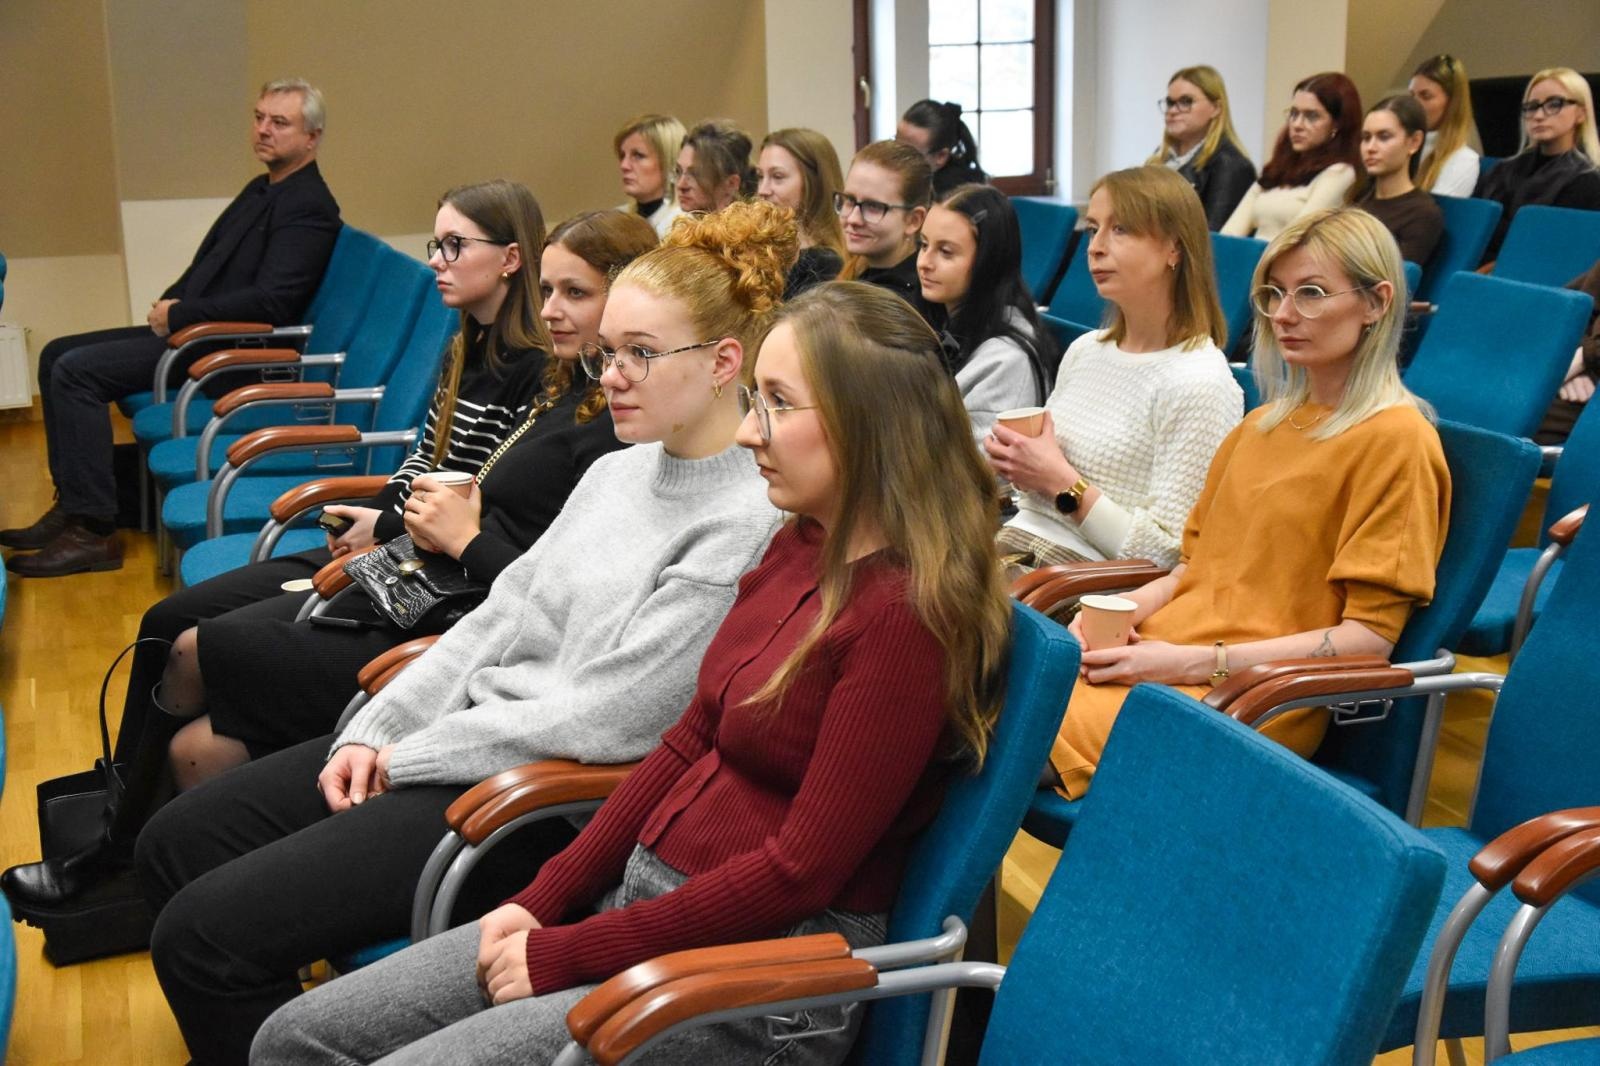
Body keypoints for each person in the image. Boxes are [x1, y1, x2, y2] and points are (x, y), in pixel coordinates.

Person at [250, 280, 1013, 1066]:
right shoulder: (800, 543)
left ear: (871, 427)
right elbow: (688, 742)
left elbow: (799, 873)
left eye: (779, 404)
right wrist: (545, 902)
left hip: (762, 980)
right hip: (654, 907)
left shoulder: (905, 616)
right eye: (757, 398)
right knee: (294, 1038)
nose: (751, 431)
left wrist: (572, 951)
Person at [132, 201, 792, 1066]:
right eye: (607, 353)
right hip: (455, 751)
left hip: (528, 801)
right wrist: (378, 726)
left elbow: (613, 718)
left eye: (640, 353)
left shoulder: (743, 519)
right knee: (172, 844)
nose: (612, 377)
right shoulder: (619, 472)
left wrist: (409, 754)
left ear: (722, 361)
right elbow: (499, 615)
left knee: (201, 938)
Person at [0, 193, 657, 919]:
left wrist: (428, 536)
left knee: (193, 667)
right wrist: (392, 524)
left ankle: (129, 860)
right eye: (551, 289)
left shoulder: (592, 412)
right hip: (420, 576)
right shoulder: (551, 383)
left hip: (439, 612)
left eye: (575, 292)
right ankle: (126, 837)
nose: (555, 306)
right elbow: (448, 479)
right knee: (174, 639)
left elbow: (531, 578)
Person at [1049, 207, 1450, 800]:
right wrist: (1124, 608)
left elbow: (1367, 642)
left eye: (1311, 293)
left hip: (1251, 697)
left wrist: (1181, 663)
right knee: (972, 709)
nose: (1284, 315)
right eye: (1275, 294)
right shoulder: (1258, 426)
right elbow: (1191, 571)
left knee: (992, 741)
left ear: (1376, 302)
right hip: (1159, 661)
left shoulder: (1398, 441)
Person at [2, 78, 341, 578]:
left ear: (311, 137)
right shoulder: (262, 188)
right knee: (56, 353)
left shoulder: (309, 205)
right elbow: (211, 264)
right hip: (198, 332)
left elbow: (275, 303)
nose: (263, 130)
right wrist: (173, 302)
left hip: (232, 350)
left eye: (280, 122)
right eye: (259, 117)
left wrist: (179, 316)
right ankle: (74, 504)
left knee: (78, 374)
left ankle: (94, 530)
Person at [989, 166, 1242, 573]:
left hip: (1090, 583)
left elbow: (1167, 556)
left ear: (1174, 249)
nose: (1095, 248)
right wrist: (1018, 463)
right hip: (1019, 547)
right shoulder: (1087, 351)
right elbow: (1037, 491)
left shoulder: (1201, 383)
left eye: (1120, 229)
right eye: (1092, 229)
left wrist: (1058, 481)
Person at [917, 183, 1057, 439]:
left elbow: (979, 469)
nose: (924, 263)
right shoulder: (946, 321)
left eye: (945, 252)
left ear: (987, 262)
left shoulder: (1008, 361)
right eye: (924, 245)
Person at [1475, 67, 1600, 262]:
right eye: (1532, 106)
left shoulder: (1587, 181)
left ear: (1581, 114)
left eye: (1554, 104)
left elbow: (1551, 254)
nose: (1539, 115)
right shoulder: (1500, 171)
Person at [1224, 73, 1361, 241]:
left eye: (1312, 116)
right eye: (1294, 114)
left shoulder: (1340, 172)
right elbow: (1230, 233)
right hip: (1252, 261)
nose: (1297, 125)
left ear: (1337, 124)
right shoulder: (1277, 169)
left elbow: (1296, 237)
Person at [1147, 65, 1257, 230]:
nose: (1172, 111)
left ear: (1216, 108)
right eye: (1170, 103)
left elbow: (1213, 238)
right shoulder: (1158, 159)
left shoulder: (1230, 165)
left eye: (1186, 102)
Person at [838, 140, 935, 323]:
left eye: (873, 206)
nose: (853, 219)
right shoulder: (857, 272)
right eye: (849, 200)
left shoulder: (905, 306)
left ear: (913, 220)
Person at [757, 127, 847, 298]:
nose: (763, 189)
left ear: (812, 183)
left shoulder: (825, 264)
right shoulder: (762, 249)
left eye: (778, 176)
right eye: (760, 176)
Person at [1354, 95, 1444, 265]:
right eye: (1366, 138)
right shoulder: (1359, 199)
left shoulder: (1422, 213)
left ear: (1414, 142)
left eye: (1384, 137)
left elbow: (1396, 280)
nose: (1370, 148)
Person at [1537, 258, 1600, 445]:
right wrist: (1575, 359)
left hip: (1591, 389)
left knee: (1507, 416)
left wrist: (1583, 358)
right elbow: (1562, 308)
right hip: (1579, 372)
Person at [1409, 53, 1481, 197]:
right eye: (1411, 95)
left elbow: (1429, 216)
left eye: (1426, 96)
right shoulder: (1402, 148)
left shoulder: (1463, 160)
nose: (1413, 104)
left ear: (1452, 103)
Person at [614, 113, 686, 237]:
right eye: (622, 156)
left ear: (670, 162)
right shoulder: (614, 221)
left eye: (638, 155)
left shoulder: (683, 227)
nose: (624, 166)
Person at [899, 98, 987, 196]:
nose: (898, 157)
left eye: (911, 153)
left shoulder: (956, 198)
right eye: (897, 144)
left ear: (941, 156)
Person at [674, 119, 755, 214]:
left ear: (731, 184)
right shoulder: (683, 225)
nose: (681, 185)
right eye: (678, 171)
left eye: (695, 174)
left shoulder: (748, 228)